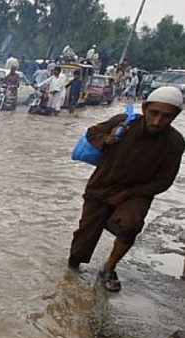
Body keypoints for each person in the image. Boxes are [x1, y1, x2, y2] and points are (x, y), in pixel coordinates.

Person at [68, 87, 184, 291]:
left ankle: (109, 267)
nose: (157, 121)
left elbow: (164, 182)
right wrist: (107, 140)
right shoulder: (125, 122)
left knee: (131, 224)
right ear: (145, 108)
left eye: (166, 116)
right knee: (82, 241)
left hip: (137, 192)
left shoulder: (174, 143)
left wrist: (126, 195)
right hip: (101, 186)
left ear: (175, 116)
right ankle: (72, 270)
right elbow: (92, 132)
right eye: (154, 113)